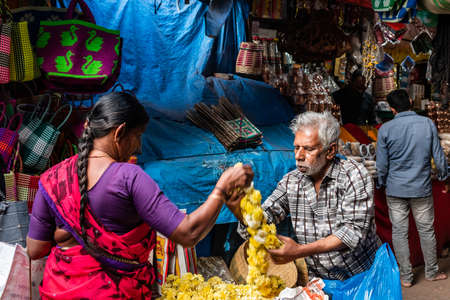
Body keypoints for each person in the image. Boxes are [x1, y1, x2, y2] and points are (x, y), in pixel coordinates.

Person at [26, 92, 254, 299]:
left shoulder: (52, 178)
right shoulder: (128, 177)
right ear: (120, 132)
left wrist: (72, 240)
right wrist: (220, 190)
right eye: (138, 135)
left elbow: (35, 250)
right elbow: (188, 233)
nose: (139, 147)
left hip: (58, 292)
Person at [227, 111, 379, 280]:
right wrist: (241, 212)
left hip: (359, 274)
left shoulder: (355, 175)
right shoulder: (292, 181)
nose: (298, 156)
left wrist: (299, 251)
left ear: (330, 151)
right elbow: (267, 215)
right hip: (316, 277)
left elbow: (353, 232)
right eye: (296, 147)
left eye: (308, 149)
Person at [376, 89, 449, 287]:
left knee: (399, 232)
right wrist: (443, 175)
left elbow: (381, 165)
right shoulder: (427, 123)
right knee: (426, 230)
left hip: (395, 189)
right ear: (410, 101)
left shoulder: (385, 129)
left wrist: (381, 182)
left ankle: (406, 277)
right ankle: (431, 272)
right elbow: (438, 154)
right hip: (421, 188)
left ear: (391, 109)